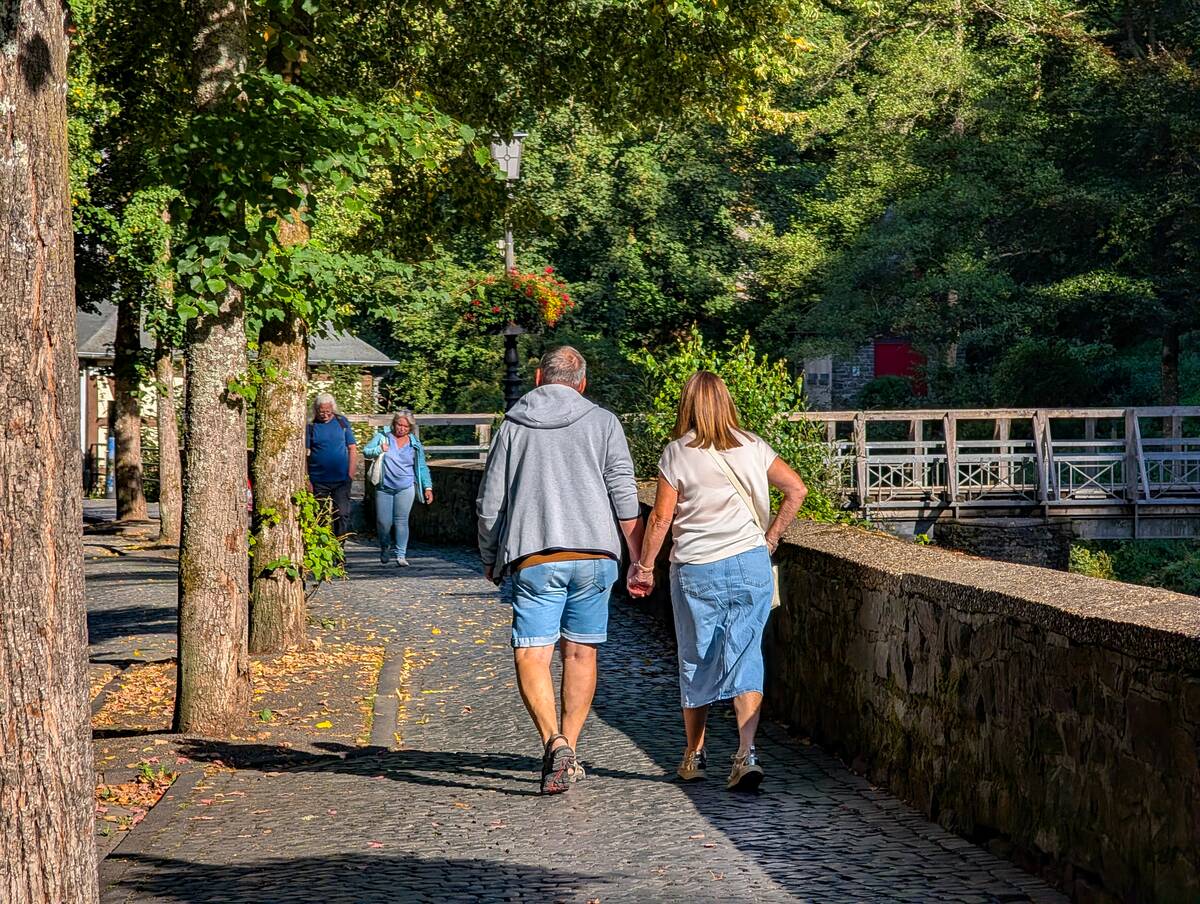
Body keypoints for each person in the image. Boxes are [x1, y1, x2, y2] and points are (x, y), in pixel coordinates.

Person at [477, 346, 645, 795]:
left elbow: (491, 502)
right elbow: (624, 496)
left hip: (534, 556)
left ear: (538, 377)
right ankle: (569, 746)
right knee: (581, 653)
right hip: (595, 556)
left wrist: (490, 555)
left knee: (533, 652)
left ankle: (553, 742)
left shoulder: (513, 426)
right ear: (582, 382)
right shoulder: (604, 422)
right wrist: (640, 559)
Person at [630, 371, 808, 791]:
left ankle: (694, 755)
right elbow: (796, 489)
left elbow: (660, 518)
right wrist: (771, 538)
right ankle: (745, 754)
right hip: (750, 563)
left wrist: (645, 566)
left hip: (696, 568)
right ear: (726, 402)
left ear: (687, 404)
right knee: (747, 655)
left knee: (697, 658)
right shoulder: (754, 446)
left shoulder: (676, 454)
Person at [363, 410, 434, 567]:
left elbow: (422, 466)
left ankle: (401, 554)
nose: (401, 428)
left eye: (405, 426)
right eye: (399, 424)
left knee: (401, 521)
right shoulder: (383, 436)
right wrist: (379, 449)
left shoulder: (414, 443)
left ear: (410, 428)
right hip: (384, 486)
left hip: (406, 486)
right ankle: (384, 546)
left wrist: (427, 487)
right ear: (393, 424)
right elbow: (366, 451)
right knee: (383, 522)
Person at [306, 393, 357, 537]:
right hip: (318, 480)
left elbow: (352, 447)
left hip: (341, 479)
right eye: (321, 411)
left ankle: (339, 549)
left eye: (328, 411)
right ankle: (322, 548)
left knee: (341, 515)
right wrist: (307, 479)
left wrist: (351, 474)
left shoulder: (342, 422)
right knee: (319, 516)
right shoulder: (311, 426)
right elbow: (304, 454)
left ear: (333, 409)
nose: (325, 415)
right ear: (316, 409)